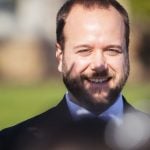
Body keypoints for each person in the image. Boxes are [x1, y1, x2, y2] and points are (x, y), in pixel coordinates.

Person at [0, 0, 150, 150]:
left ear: (127, 53)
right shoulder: (11, 143)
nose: (99, 64)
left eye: (112, 50)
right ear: (60, 56)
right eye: (84, 50)